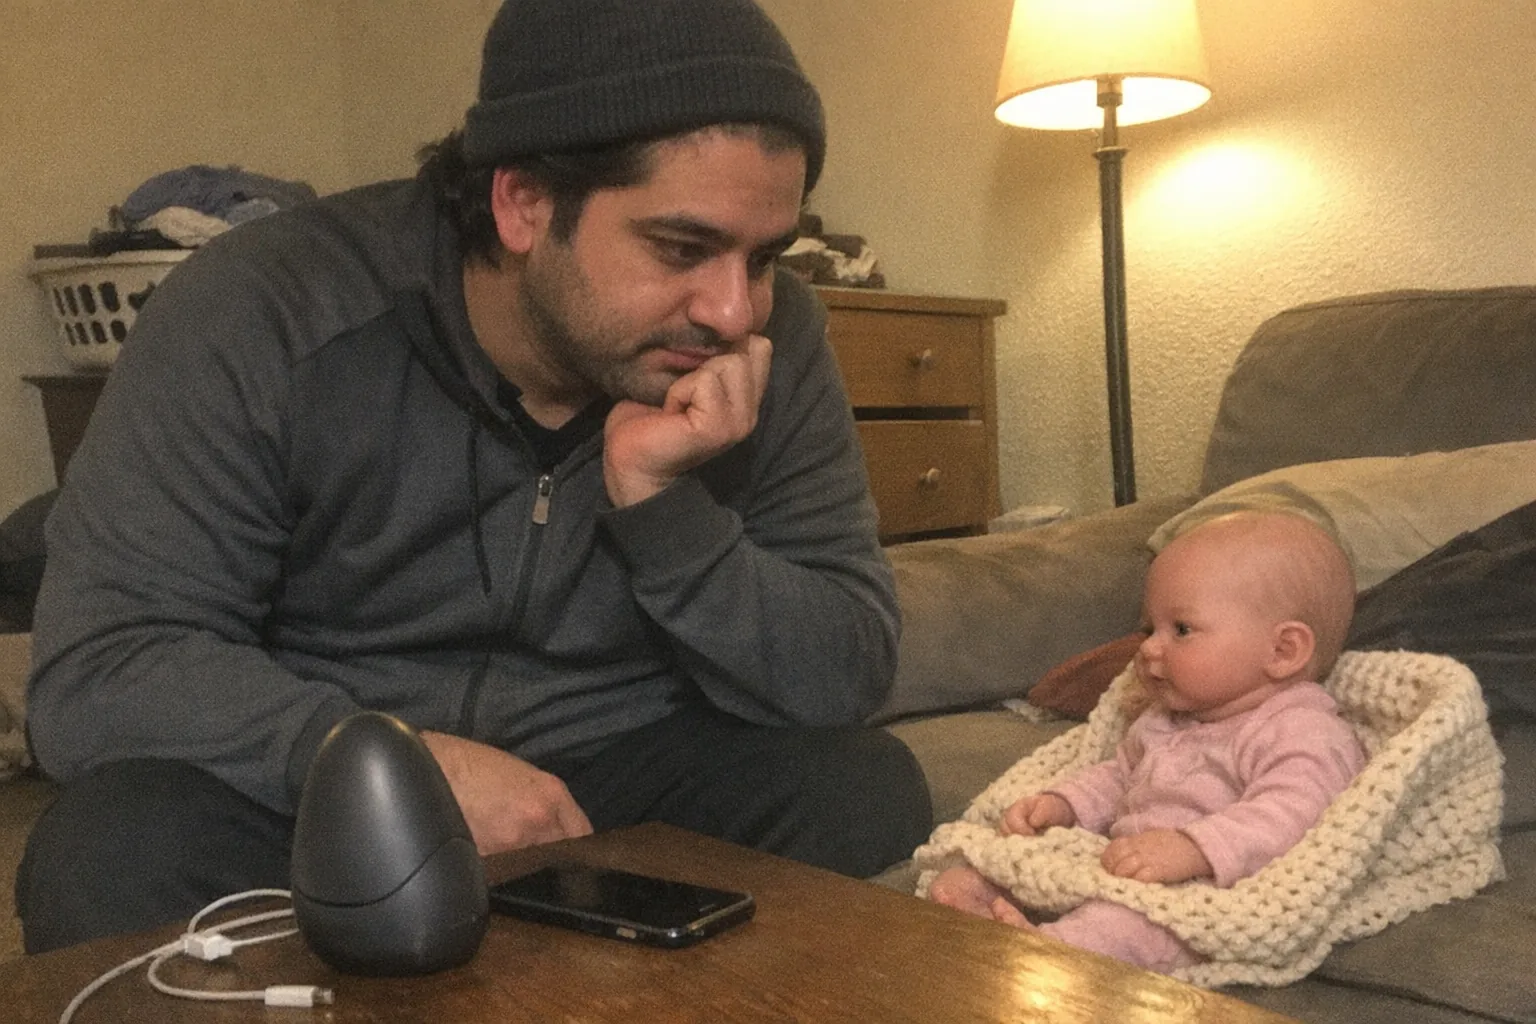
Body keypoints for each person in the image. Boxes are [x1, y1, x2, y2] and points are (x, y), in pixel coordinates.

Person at [18, 0, 932, 953]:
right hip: (328, 787)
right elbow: (99, 670)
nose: (732, 310)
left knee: (859, 789)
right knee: (112, 850)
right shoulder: (262, 310)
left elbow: (847, 669)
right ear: (523, 203)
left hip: (611, 784)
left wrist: (667, 514)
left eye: (765, 256)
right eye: (682, 248)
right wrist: (389, 763)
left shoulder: (774, 343)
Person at [928, 510, 1366, 973]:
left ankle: (1047, 956)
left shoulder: (1302, 727)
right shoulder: (1166, 717)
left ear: (1283, 651)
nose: (1149, 649)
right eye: (1148, 629)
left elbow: (1293, 815)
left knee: (1128, 929)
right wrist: (1065, 805)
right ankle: (984, 901)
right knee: (999, 865)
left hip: (1202, 894)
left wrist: (1193, 848)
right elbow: (1119, 776)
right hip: (1119, 866)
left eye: (1180, 630)